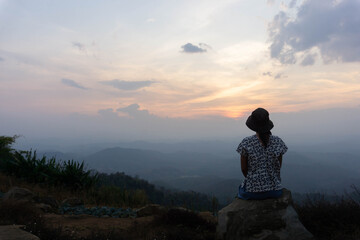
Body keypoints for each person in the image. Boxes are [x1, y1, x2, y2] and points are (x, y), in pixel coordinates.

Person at [236, 108, 287, 200]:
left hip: (252, 191)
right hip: (275, 190)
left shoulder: (246, 142)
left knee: (240, 189)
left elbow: (244, 169)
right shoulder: (278, 141)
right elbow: (278, 166)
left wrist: (255, 181)